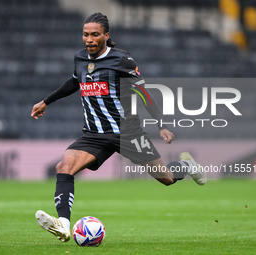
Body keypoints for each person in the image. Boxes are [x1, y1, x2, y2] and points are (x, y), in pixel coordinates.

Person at [31, 12, 207, 242]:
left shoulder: (122, 60)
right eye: (85, 35)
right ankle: (63, 224)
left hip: (128, 132)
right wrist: (47, 101)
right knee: (64, 167)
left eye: (95, 34)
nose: (89, 39)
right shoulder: (80, 58)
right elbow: (75, 82)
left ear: (106, 35)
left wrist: (160, 125)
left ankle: (185, 165)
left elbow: (144, 93)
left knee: (166, 178)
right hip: (94, 134)